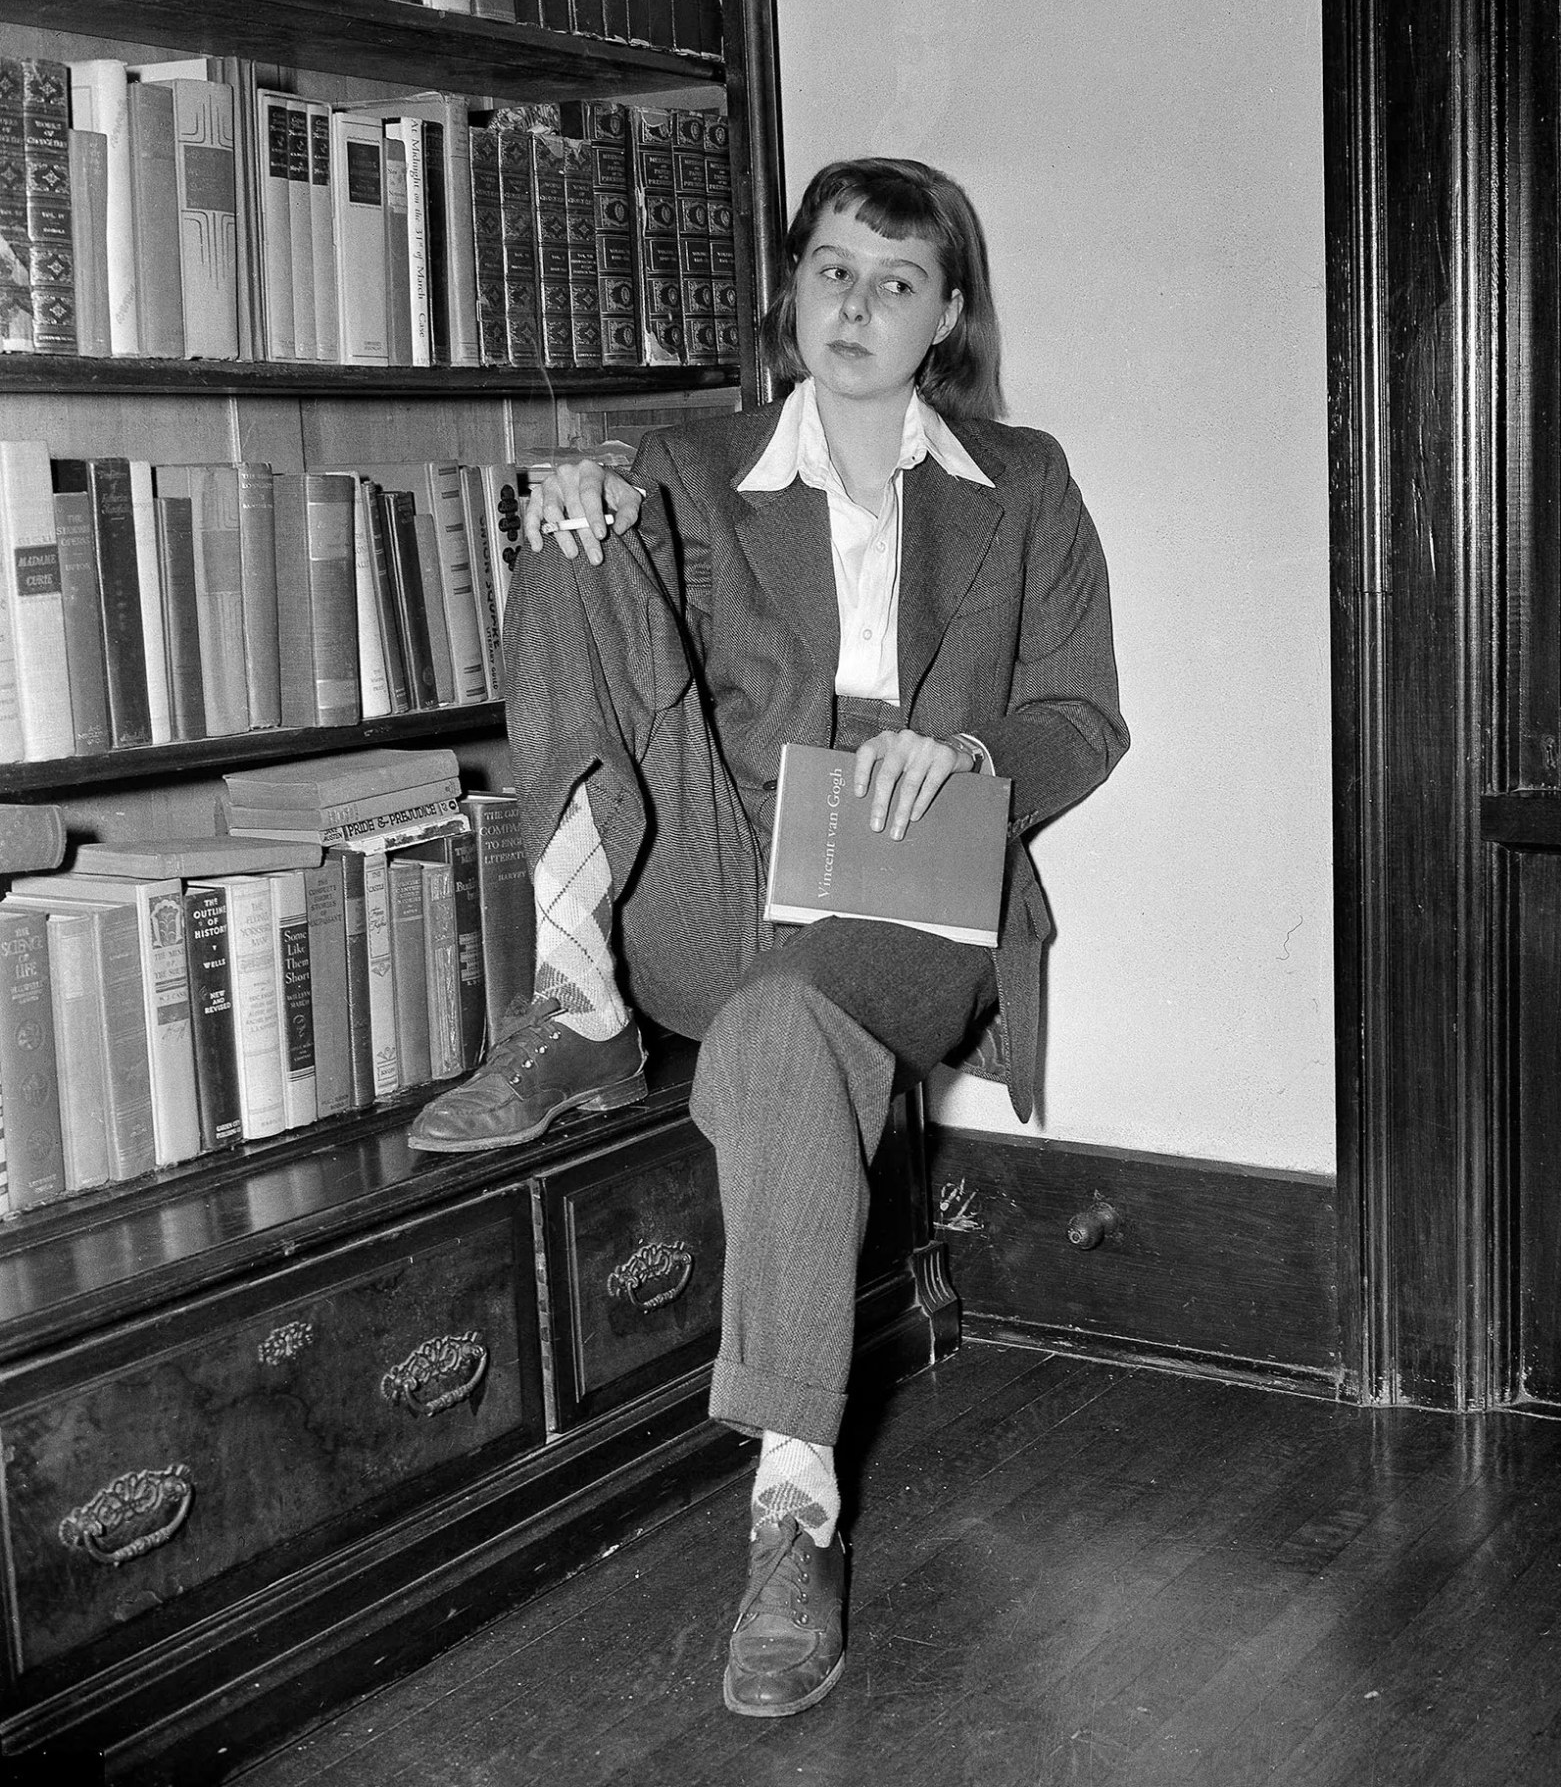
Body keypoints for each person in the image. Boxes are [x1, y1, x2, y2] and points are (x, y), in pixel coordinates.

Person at [410, 156, 1129, 1717]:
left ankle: (792, 1511)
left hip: (913, 881)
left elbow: (1085, 715)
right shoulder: (693, 465)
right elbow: (622, 627)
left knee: (787, 1017)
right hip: (725, 857)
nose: (856, 306)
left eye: (896, 281)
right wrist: (586, 488)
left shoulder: (1023, 482)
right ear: (791, 289)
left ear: (946, 314)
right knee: (568, 534)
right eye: (831, 271)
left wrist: (973, 751)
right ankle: (576, 1001)